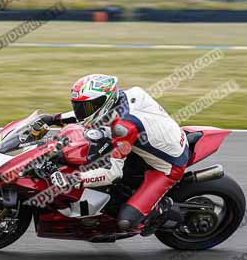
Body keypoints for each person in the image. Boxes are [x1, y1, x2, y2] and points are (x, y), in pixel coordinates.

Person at [39, 74, 189, 232]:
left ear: (105, 101)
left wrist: (74, 180)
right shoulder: (121, 97)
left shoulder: (123, 127)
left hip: (168, 167)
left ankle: (162, 210)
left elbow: (113, 173)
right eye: (78, 106)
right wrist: (54, 118)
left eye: (87, 107)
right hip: (149, 142)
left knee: (126, 222)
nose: (81, 111)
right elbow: (85, 116)